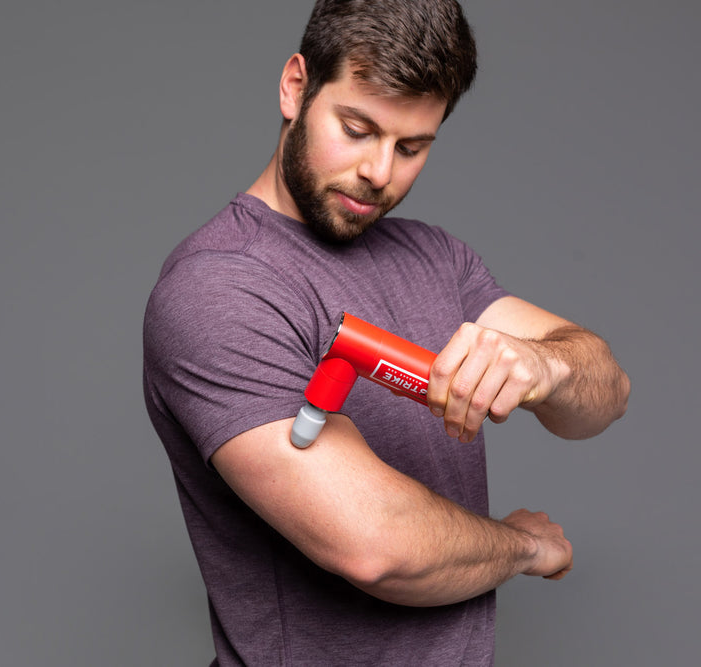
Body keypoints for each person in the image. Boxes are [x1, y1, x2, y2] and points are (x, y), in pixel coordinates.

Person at [142, 1, 631, 664]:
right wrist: (521, 545)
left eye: (411, 147)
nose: (379, 171)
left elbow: (605, 398)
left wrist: (551, 369)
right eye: (357, 128)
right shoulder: (217, 288)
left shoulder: (438, 259)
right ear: (296, 87)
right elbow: (376, 547)